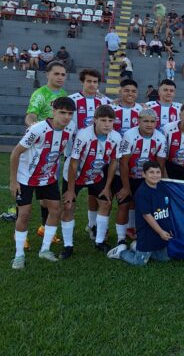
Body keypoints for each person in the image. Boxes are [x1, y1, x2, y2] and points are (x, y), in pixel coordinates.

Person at [9, 97, 77, 269]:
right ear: (54, 112)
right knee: (24, 214)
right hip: (26, 177)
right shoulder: (38, 129)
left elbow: (68, 155)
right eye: (62, 112)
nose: (66, 117)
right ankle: (19, 255)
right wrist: (13, 181)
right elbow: (15, 153)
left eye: (70, 113)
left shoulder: (71, 129)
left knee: (56, 210)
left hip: (48, 177)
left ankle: (45, 250)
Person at [60, 105, 121, 258]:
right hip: (75, 176)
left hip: (95, 175)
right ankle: (68, 245)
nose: (107, 124)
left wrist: (107, 187)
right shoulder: (83, 135)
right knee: (68, 206)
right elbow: (73, 163)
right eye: (103, 120)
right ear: (95, 120)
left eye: (110, 121)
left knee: (105, 203)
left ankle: (99, 241)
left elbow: (114, 162)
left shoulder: (116, 137)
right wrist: (71, 190)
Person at [112, 109, 167, 253]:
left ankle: (135, 230)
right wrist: (126, 187)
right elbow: (123, 162)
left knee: (142, 205)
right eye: (145, 121)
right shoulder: (129, 135)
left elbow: (160, 164)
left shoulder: (161, 138)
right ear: (138, 121)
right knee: (124, 204)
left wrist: (156, 181)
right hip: (125, 174)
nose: (149, 124)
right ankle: (121, 239)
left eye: (152, 121)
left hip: (145, 177)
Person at [106, 161, 173, 265]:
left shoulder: (163, 187)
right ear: (144, 174)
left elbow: (167, 209)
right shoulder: (142, 193)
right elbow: (147, 215)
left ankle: (135, 246)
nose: (155, 175)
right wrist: (160, 232)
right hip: (147, 234)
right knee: (139, 262)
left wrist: (168, 228)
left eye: (158, 172)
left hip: (161, 231)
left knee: (165, 258)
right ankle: (120, 252)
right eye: (151, 172)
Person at [25, 62, 68, 126]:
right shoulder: (40, 94)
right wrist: (34, 126)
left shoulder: (64, 94)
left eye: (63, 75)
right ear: (47, 74)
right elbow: (31, 115)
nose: (60, 77)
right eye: (56, 74)